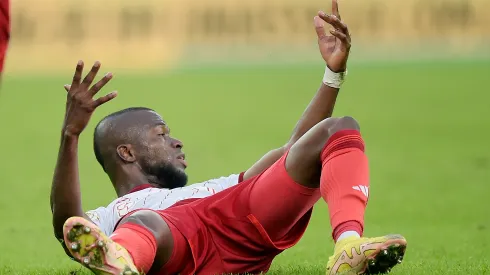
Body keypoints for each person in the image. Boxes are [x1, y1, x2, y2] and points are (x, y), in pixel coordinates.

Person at [50, 2, 407, 274]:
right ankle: (123, 260)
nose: (177, 143)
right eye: (161, 135)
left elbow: (293, 151)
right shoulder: (115, 214)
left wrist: (333, 73)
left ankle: (348, 247)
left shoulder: (211, 188)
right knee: (144, 221)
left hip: (236, 221)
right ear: (126, 153)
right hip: (173, 244)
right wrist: (70, 135)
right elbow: (67, 225)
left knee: (337, 129)